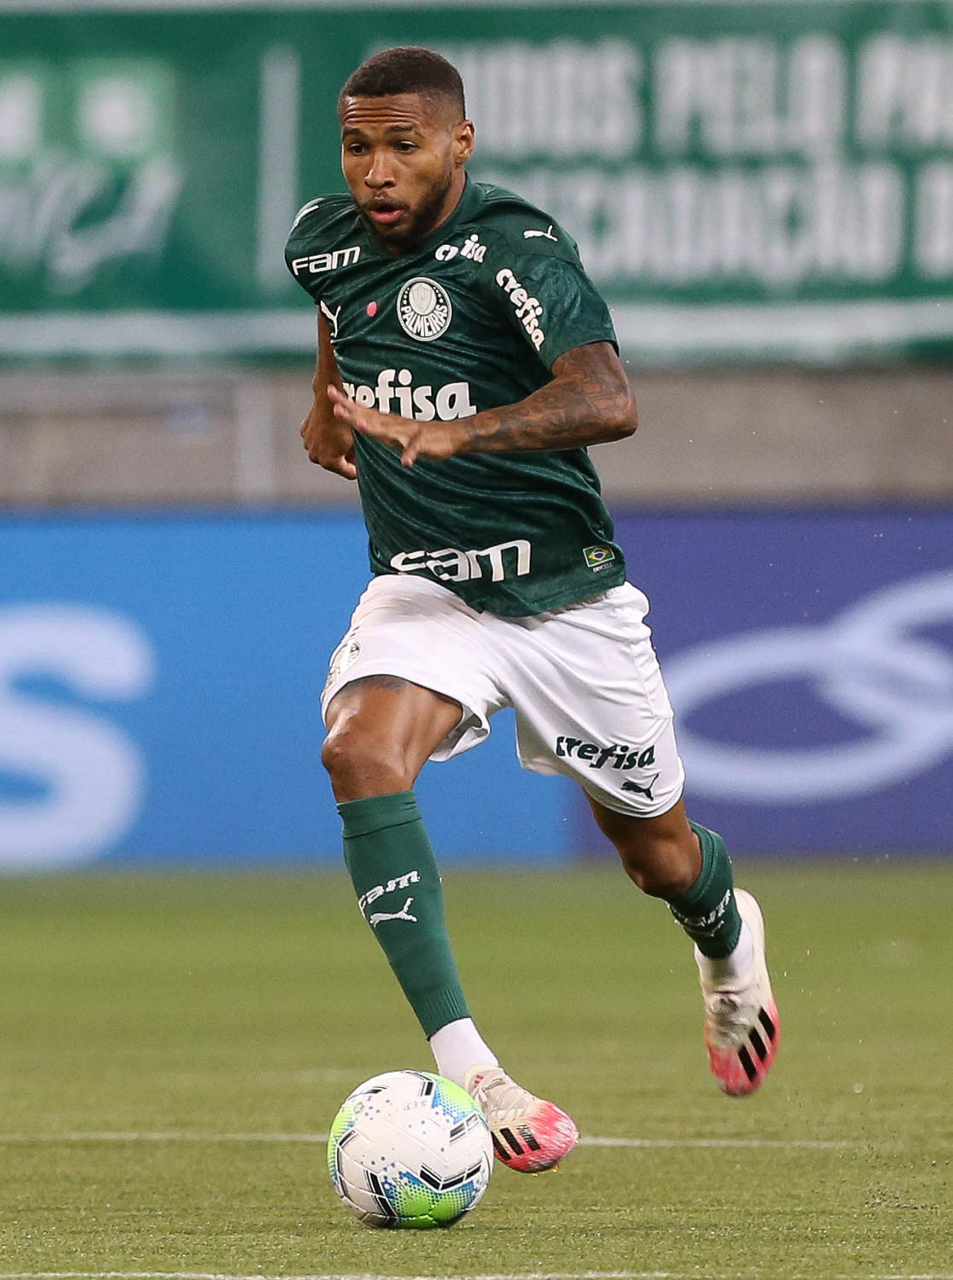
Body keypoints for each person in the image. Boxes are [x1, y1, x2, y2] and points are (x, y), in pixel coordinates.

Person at [286, 45, 779, 1174]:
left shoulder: (516, 246)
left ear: (459, 144)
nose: (376, 169)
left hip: (563, 597)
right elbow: (334, 310)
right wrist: (325, 398)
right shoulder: (321, 240)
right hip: (425, 587)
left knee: (657, 858)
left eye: (403, 145)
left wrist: (461, 431)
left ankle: (724, 937)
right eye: (357, 145)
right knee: (357, 752)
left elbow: (608, 398)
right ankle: (475, 1071)